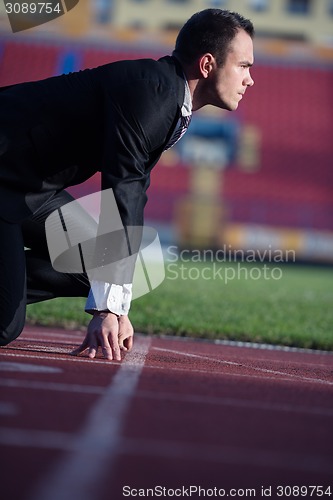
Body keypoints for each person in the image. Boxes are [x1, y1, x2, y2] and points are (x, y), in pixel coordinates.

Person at [0, 8, 254, 360]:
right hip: (6, 174)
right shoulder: (152, 92)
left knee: (95, 263)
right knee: (4, 323)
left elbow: (132, 199)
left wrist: (119, 308)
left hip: (28, 187)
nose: (249, 80)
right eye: (244, 66)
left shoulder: (167, 98)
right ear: (208, 65)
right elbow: (122, 191)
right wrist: (108, 311)